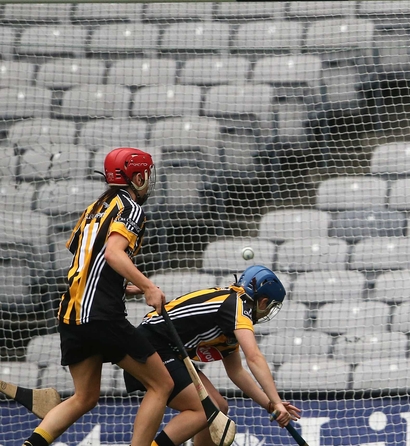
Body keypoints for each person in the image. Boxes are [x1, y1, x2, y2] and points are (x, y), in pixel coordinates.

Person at [23, 148, 173, 446]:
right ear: (138, 177)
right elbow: (113, 253)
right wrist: (147, 287)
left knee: (85, 397)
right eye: (148, 175)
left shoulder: (94, 207)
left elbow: (85, 260)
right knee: (161, 385)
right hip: (101, 317)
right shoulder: (130, 208)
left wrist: (120, 286)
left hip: (70, 315)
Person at [123, 264, 300, 446]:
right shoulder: (237, 307)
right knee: (207, 411)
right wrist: (277, 402)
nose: (268, 312)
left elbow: (237, 372)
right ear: (263, 301)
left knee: (220, 408)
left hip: (168, 351)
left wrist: (270, 404)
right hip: (150, 344)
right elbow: (254, 357)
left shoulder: (232, 315)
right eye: (270, 306)